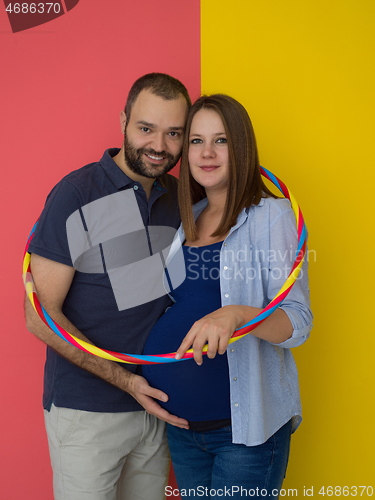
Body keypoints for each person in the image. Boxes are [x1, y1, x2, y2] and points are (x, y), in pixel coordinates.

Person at [24, 73, 192, 500]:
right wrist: (123, 380)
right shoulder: (77, 193)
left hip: (156, 405)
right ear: (123, 121)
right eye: (146, 128)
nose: (159, 145)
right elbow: (40, 316)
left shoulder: (180, 197)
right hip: (87, 412)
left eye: (174, 133)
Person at [142, 94, 313, 498]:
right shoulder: (186, 220)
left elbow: (299, 321)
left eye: (220, 140)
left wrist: (236, 314)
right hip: (183, 433)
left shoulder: (272, 216)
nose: (207, 152)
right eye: (197, 141)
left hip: (244, 435)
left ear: (241, 146)